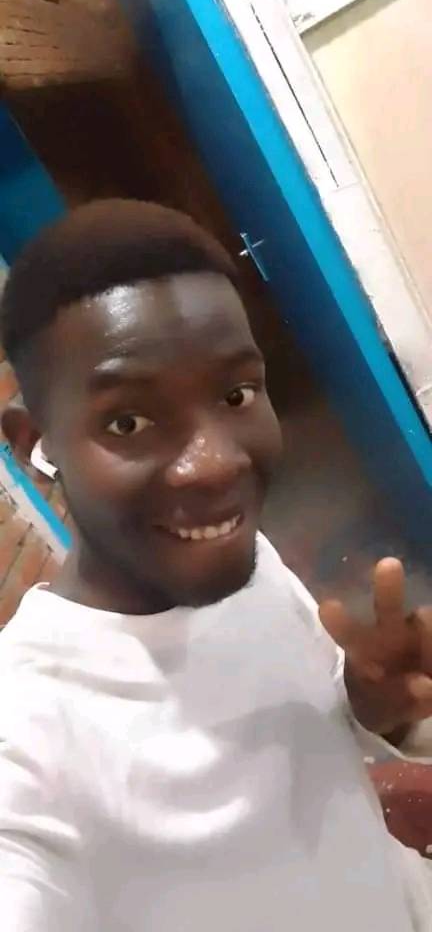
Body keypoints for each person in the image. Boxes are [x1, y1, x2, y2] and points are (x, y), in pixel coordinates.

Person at [1, 199, 432, 932]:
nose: (217, 462)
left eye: (235, 395)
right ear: (33, 443)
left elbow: (312, 737)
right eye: (128, 421)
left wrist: (367, 700)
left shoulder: (249, 561)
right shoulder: (27, 735)